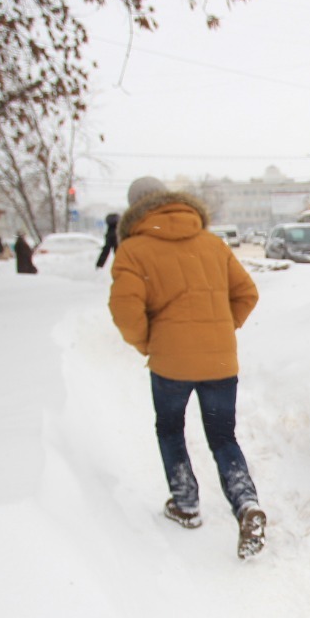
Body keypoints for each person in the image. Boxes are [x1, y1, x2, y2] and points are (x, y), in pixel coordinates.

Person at [108, 176, 267, 559]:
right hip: (219, 361)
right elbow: (247, 293)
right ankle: (246, 503)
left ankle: (185, 503)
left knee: (170, 429)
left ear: (134, 209)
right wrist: (220, 329)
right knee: (222, 436)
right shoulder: (211, 243)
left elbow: (125, 312)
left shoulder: (132, 250)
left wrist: (149, 343)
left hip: (170, 365)